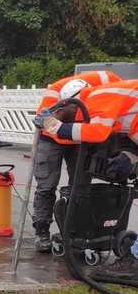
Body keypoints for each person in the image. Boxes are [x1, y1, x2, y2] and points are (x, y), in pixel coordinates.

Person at [35, 79, 138, 278]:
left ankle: (134, 262)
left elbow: (97, 133)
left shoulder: (100, 97)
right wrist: (131, 156)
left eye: (64, 115)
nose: (65, 120)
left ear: (71, 104)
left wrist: (52, 124)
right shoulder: (113, 104)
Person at [30, 71, 121, 252]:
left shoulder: (106, 87)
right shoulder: (52, 100)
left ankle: (74, 230)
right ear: (64, 107)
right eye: (73, 113)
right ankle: (42, 231)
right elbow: (46, 125)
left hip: (81, 138)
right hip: (52, 138)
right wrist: (58, 124)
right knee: (46, 185)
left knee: (80, 185)